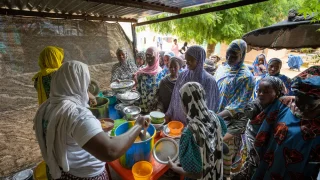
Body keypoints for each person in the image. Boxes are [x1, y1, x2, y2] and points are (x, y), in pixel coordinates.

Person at [33, 61, 150, 179]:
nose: (86, 88)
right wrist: (138, 125)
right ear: (78, 83)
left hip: (65, 173)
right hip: (87, 176)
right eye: (86, 84)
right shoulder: (75, 114)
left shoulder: (48, 106)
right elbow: (110, 150)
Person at [249, 75, 320, 179]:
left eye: (310, 105)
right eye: (300, 101)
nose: (304, 107)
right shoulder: (283, 104)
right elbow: (261, 129)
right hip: (272, 163)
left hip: (302, 171)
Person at [214, 39, 255, 178]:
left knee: (224, 159)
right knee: (211, 156)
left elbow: (239, 105)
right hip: (215, 118)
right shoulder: (223, 68)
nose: (229, 58)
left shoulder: (246, 77)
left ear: (242, 55)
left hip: (231, 125)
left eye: (234, 55)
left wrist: (217, 116)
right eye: (228, 54)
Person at [232, 76, 287, 180]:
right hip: (249, 153)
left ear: (277, 93)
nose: (261, 94)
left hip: (265, 155)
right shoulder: (256, 105)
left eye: (266, 92)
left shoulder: (280, 112)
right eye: (259, 91)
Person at [168, 82, 223, 180]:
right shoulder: (215, 117)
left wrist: (174, 167)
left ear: (185, 104)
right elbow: (218, 142)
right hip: (215, 173)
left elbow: (196, 174)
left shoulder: (190, 132)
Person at [166, 45, 219, 125]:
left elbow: (210, 106)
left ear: (199, 60)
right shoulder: (182, 76)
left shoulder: (209, 81)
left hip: (196, 127)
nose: (187, 62)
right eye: (186, 59)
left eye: (191, 60)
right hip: (177, 122)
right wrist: (169, 113)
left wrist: (201, 127)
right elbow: (175, 96)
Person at [135, 47, 166, 113]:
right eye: (147, 56)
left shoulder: (161, 74)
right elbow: (138, 90)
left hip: (155, 112)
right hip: (142, 109)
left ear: (157, 57)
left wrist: (158, 110)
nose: (149, 59)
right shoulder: (141, 71)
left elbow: (162, 97)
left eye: (152, 57)